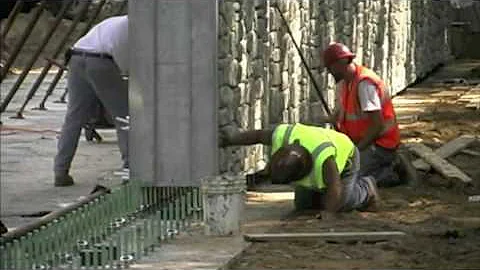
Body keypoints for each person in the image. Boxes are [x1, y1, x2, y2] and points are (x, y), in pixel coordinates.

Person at [220, 123, 379, 213]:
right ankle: (321, 197)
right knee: (303, 206)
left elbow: (335, 187)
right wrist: (231, 139)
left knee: (341, 203)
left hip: (346, 159)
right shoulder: (282, 135)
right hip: (320, 164)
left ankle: (366, 189)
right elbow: (258, 135)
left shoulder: (325, 160)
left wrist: (329, 217)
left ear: (303, 171)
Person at [318, 42, 416, 187]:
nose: (329, 72)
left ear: (341, 63)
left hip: (381, 145)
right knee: (339, 172)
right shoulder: (346, 83)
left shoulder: (365, 84)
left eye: (330, 67)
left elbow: (377, 125)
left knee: (351, 178)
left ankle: (393, 169)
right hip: (362, 143)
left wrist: (356, 151)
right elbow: (342, 113)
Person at [53, 15, 129, 187]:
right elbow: (127, 68)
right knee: (125, 117)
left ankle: (60, 171)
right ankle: (130, 171)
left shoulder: (114, 21)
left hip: (76, 57)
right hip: (101, 61)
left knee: (74, 117)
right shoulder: (136, 30)